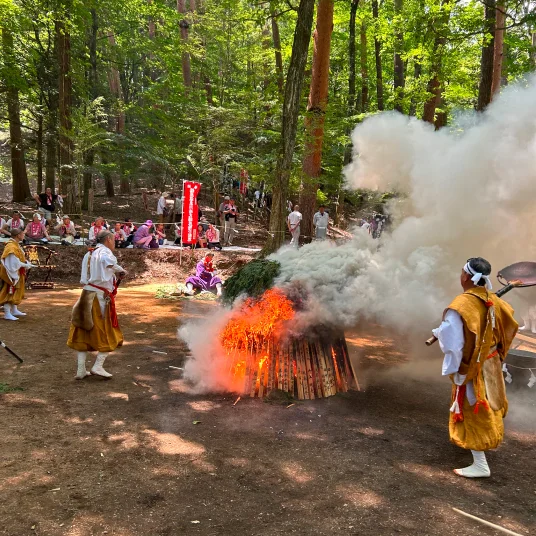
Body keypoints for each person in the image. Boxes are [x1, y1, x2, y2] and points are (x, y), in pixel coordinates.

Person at [432, 257, 518, 478]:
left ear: (467, 277)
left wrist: (457, 367)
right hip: (491, 362)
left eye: (462, 272)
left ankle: (480, 464)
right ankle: (480, 447)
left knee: (473, 408)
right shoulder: (492, 300)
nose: (460, 275)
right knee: (490, 404)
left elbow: (454, 345)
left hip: (474, 367)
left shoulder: (461, 305)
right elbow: (509, 322)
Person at [67, 230, 126, 379]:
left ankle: (81, 370)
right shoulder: (105, 252)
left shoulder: (89, 254)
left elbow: (83, 278)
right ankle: (97, 366)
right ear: (108, 239)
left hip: (85, 295)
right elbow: (109, 263)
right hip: (98, 298)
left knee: (83, 331)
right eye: (113, 240)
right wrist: (121, 270)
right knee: (108, 331)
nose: (114, 243)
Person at [0, 229, 33, 321]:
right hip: (11, 272)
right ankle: (7, 313)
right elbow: (13, 262)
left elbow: (20, 258)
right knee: (10, 291)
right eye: (22, 234)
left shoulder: (16, 245)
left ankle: (14, 309)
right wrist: (26, 265)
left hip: (18, 271)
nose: (23, 235)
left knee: (16, 290)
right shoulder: (11, 246)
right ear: (18, 235)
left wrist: (26, 262)